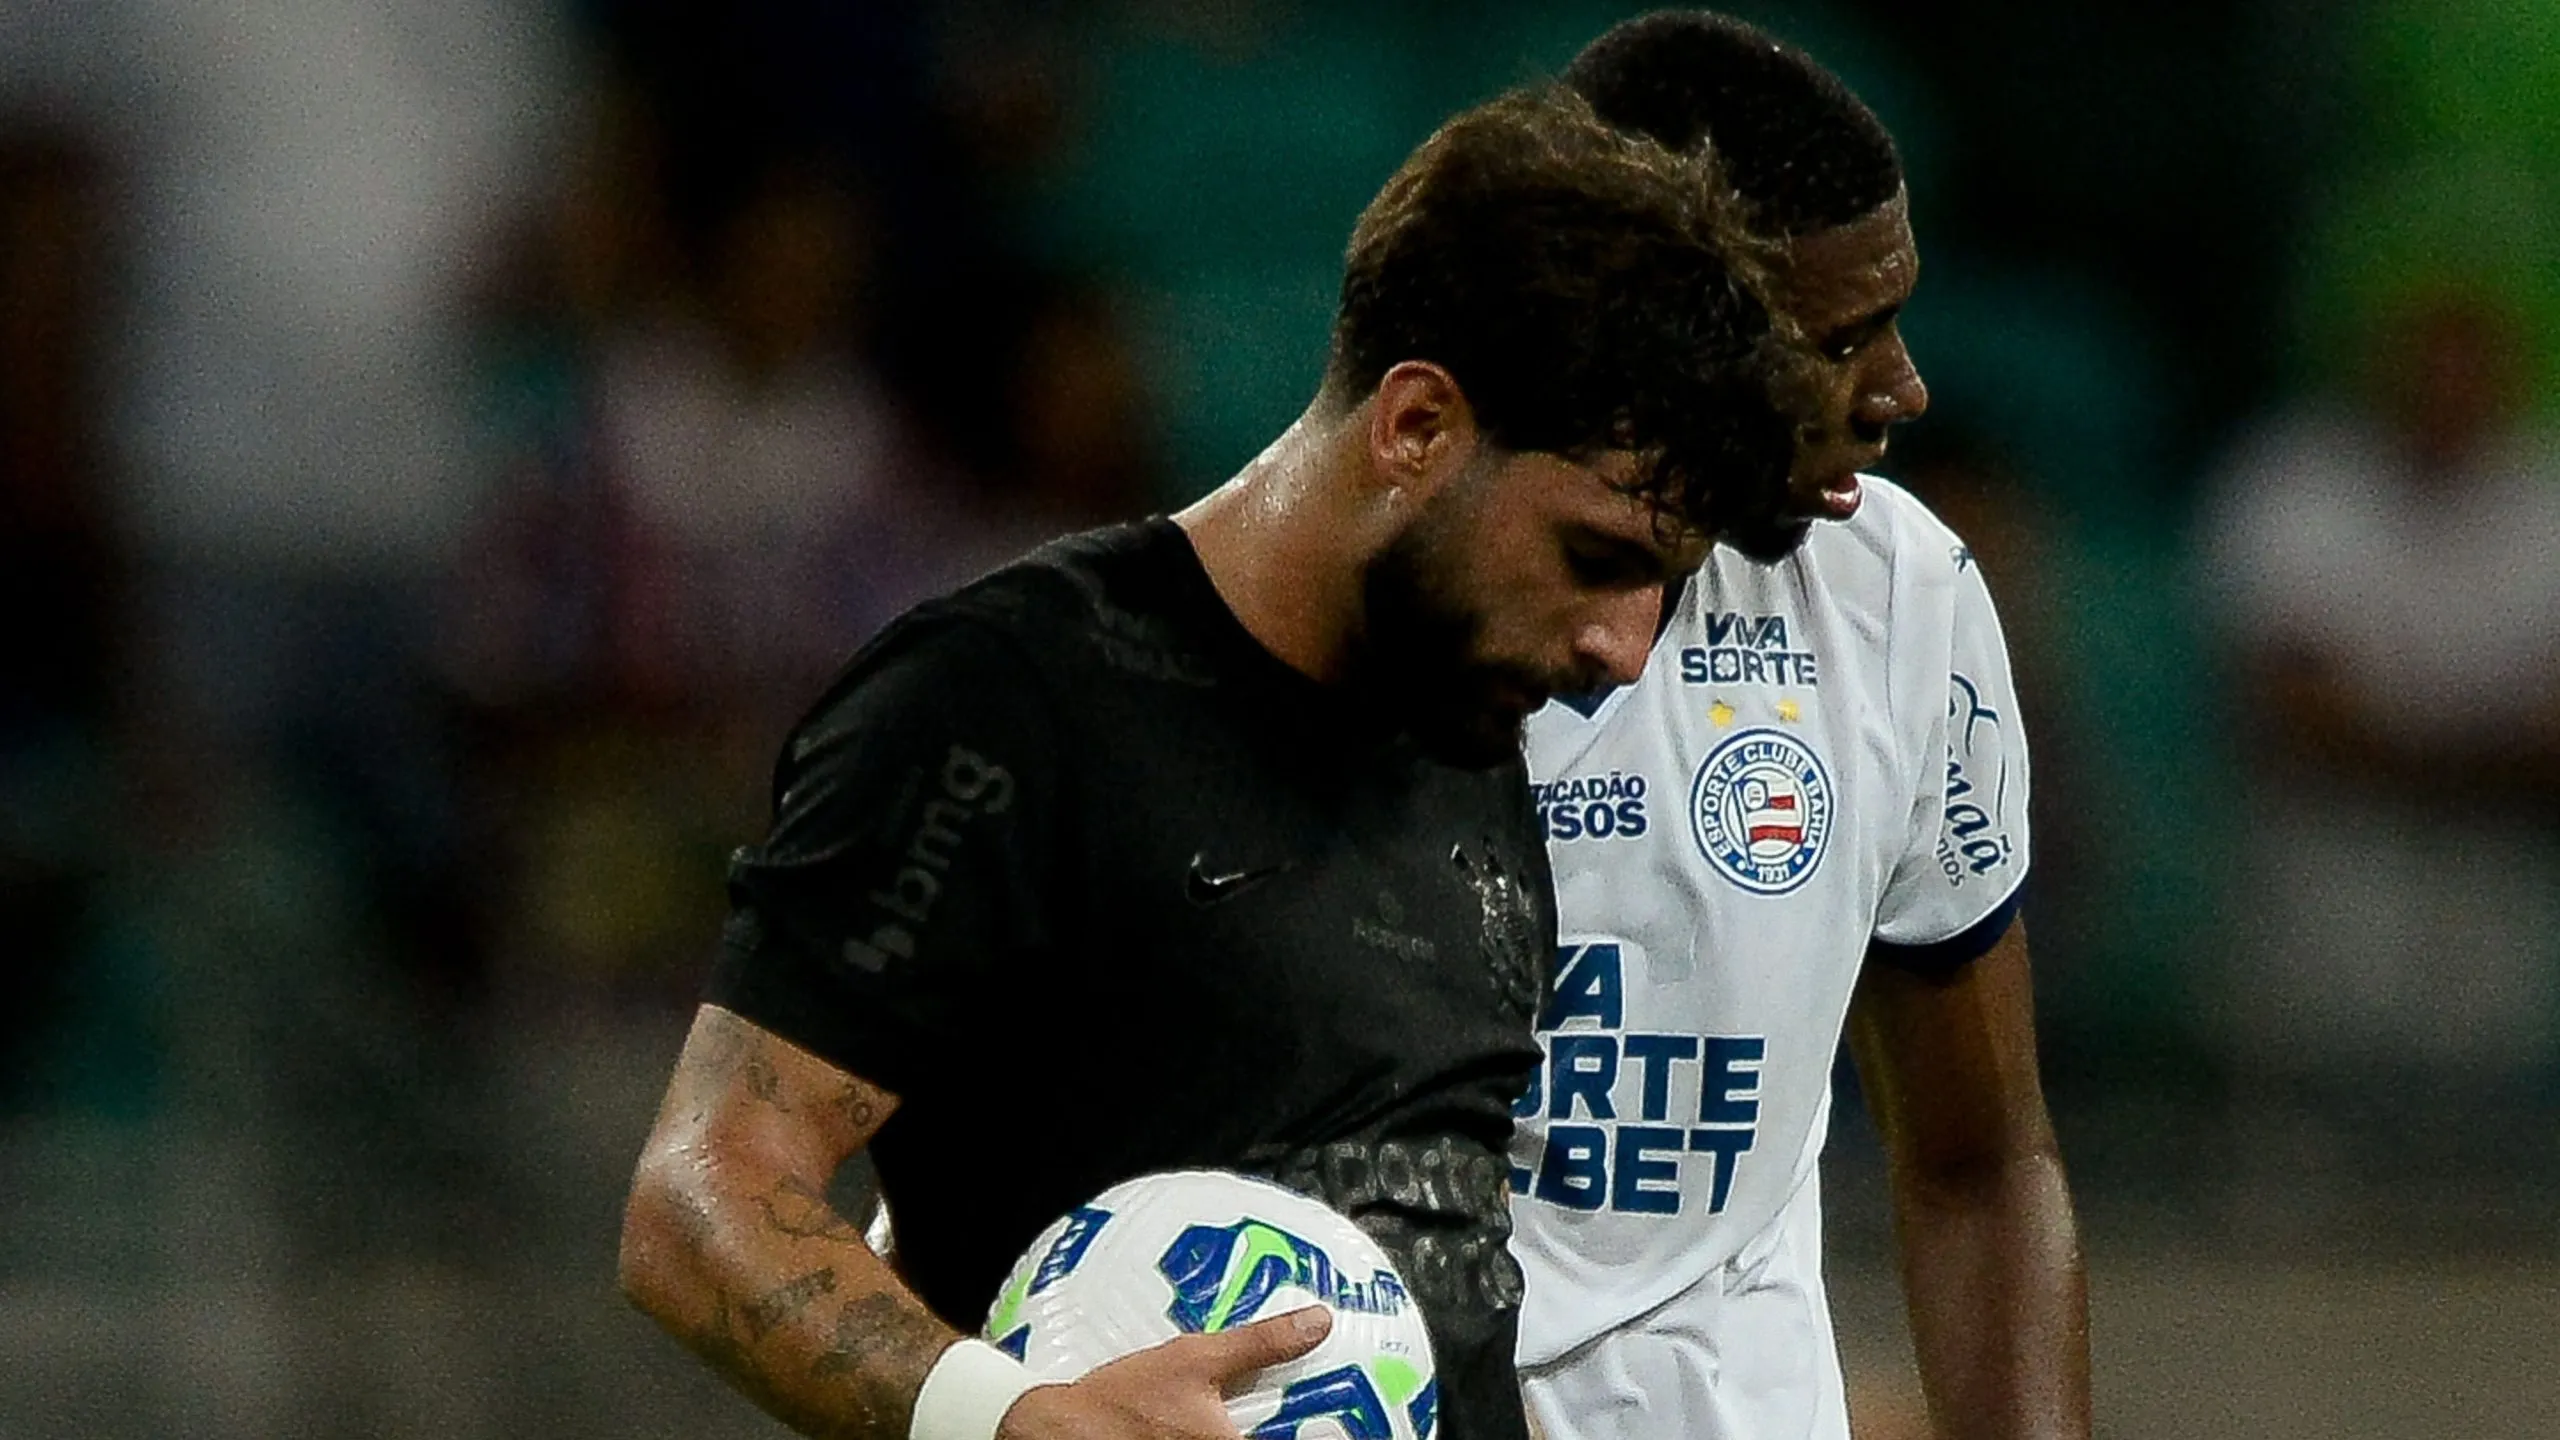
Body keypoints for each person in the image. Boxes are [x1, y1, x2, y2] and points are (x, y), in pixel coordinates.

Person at [618, 86, 1809, 1440]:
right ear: (1415, 426)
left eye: (1666, 591)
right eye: (1595, 558)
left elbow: (1431, 1296)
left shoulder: (1469, 730)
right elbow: (700, 1196)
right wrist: (1009, 1420)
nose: (1623, 649)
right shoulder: (1002, 705)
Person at [1504, 15, 2091, 1440]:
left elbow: (1980, 1162)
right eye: (1839, 341)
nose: (1902, 392)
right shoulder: (1354, 610)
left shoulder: (1901, 595)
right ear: (1654, 336)